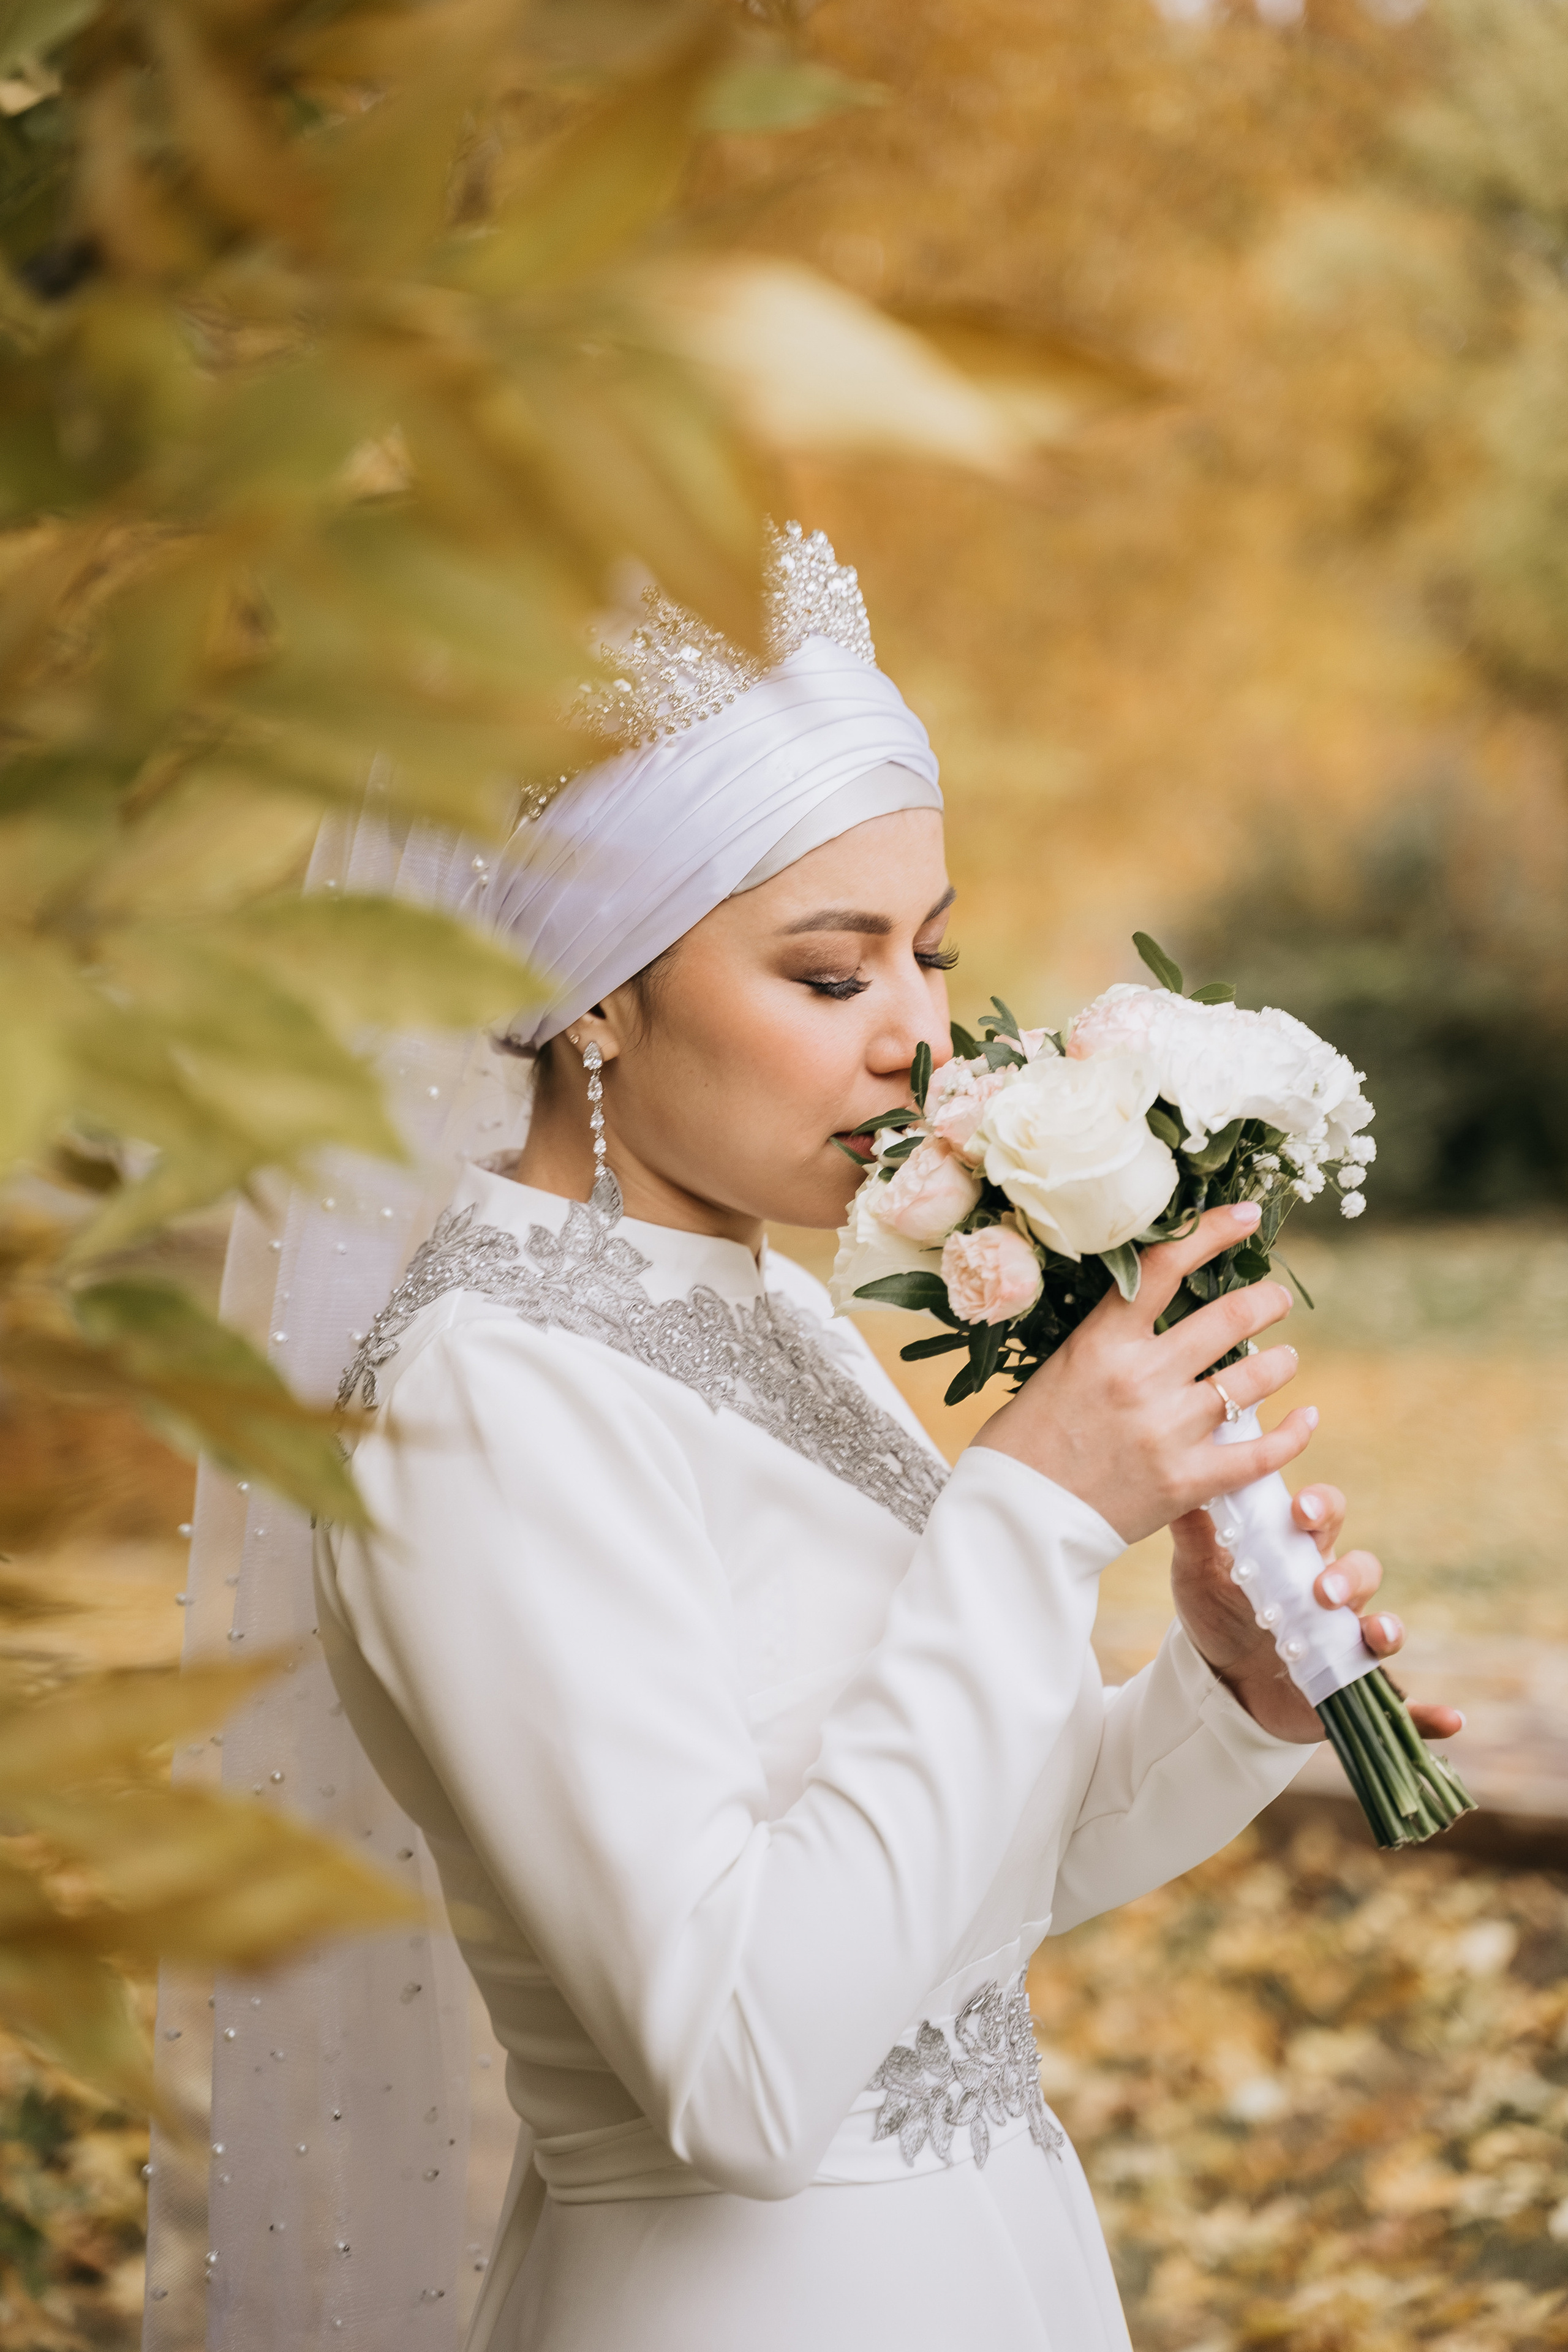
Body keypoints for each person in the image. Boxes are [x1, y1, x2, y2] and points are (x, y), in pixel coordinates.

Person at [314, 524, 1459, 2352]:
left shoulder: (775, 1314)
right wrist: (1024, 1518)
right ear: (601, 996)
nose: (921, 1039)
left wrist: (1215, 1698)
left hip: (1000, 2267)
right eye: (832, 977)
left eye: (932, 956)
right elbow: (742, 2072)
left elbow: (951, 1897)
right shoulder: (485, 1394)